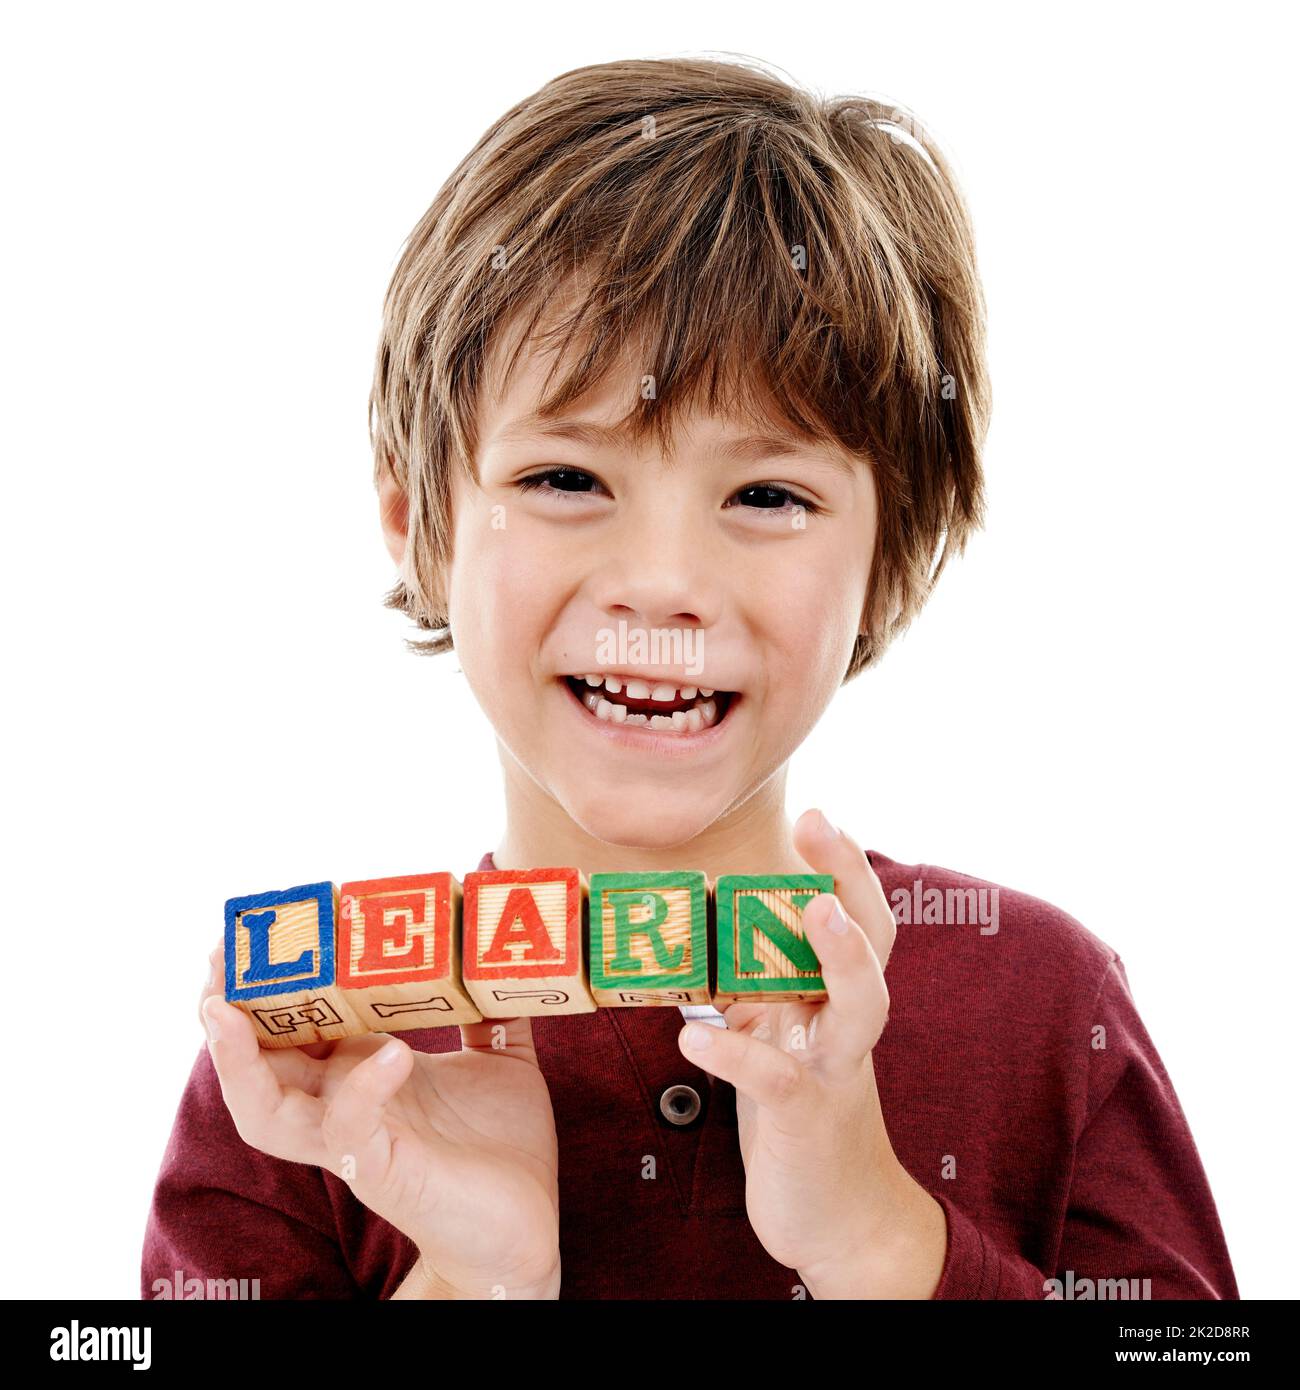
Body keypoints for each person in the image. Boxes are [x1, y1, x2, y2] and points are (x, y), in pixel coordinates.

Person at [142, 56, 1238, 1300]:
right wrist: (472, 1278)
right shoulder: (311, 1064)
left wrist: (880, 1239)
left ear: (889, 561)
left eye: (766, 495)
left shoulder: (1045, 1008)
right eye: (566, 479)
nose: (661, 581)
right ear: (418, 521)